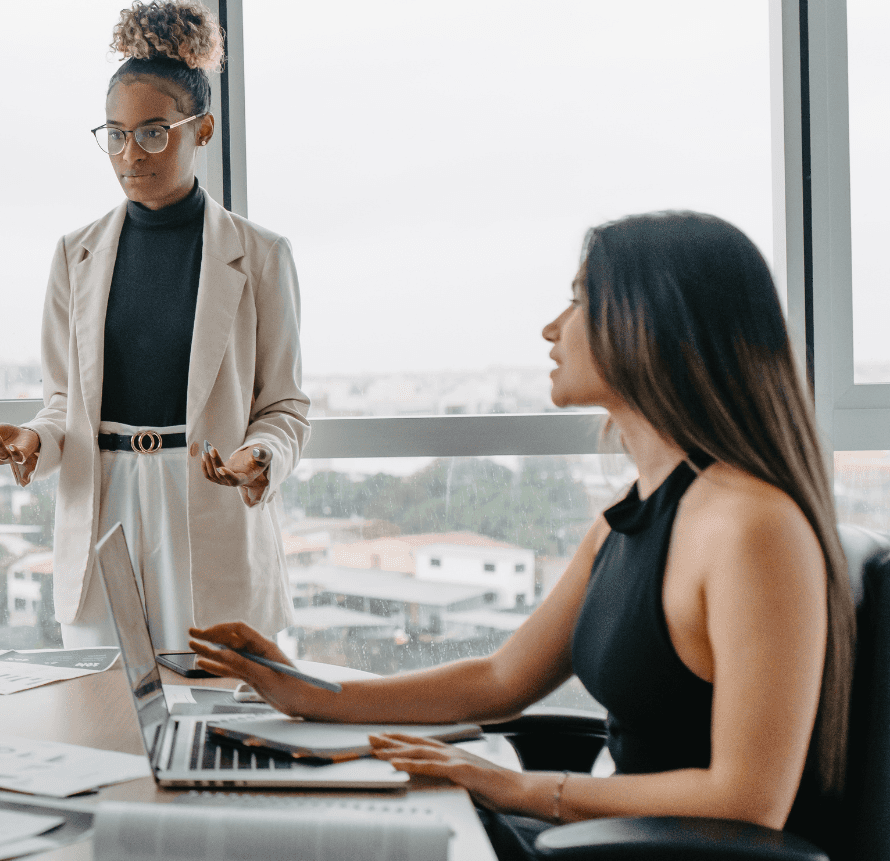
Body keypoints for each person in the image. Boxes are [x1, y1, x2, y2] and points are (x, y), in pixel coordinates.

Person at [188, 212, 855, 859]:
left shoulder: (751, 528)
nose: (551, 328)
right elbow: (502, 678)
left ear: (651, 324)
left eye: (578, 302)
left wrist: (514, 787)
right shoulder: (632, 514)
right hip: (598, 841)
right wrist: (306, 692)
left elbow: (749, 801)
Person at [0, 0, 309, 650]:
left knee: (215, 709)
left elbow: (285, 405)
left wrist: (259, 457)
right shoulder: (76, 253)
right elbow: (65, 401)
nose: (131, 154)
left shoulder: (262, 256)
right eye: (116, 134)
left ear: (201, 130)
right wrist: (32, 440)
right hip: (102, 506)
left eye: (153, 131)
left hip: (208, 505)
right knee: (104, 715)